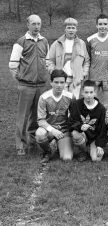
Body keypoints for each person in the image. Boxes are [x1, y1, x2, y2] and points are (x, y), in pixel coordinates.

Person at [9, 14, 49, 156]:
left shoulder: (44, 41)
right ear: (28, 25)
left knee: (37, 116)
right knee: (23, 117)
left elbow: (47, 61)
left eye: (39, 23)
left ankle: (33, 143)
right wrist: (21, 79)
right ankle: (21, 145)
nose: (36, 26)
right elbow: (13, 65)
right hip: (26, 86)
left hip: (41, 86)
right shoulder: (21, 42)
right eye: (34, 24)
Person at [36, 70, 76, 164]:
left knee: (67, 158)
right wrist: (52, 130)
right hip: (49, 130)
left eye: (62, 82)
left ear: (65, 83)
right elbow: (41, 120)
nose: (59, 85)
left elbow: (74, 117)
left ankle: (62, 145)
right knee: (40, 134)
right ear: (51, 83)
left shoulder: (71, 97)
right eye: (56, 82)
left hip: (63, 130)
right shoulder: (44, 98)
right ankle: (47, 151)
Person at [48, 18, 90, 99]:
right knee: (61, 103)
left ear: (76, 29)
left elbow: (87, 61)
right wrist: (53, 73)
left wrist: (84, 74)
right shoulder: (56, 44)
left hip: (76, 80)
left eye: (73, 28)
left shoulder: (81, 44)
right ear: (65, 29)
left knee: (74, 103)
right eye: (69, 28)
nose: (71, 30)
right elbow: (51, 61)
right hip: (61, 80)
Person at [69, 80, 108, 162]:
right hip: (82, 135)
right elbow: (71, 122)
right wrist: (80, 126)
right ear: (82, 92)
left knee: (96, 159)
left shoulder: (101, 108)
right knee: (75, 133)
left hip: (94, 137)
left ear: (95, 92)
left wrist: (100, 145)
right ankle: (82, 151)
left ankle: (92, 147)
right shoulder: (76, 104)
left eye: (91, 92)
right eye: (86, 92)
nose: (89, 95)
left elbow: (102, 129)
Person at [87, 13, 108, 108]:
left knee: (106, 104)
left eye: (105, 24)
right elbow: (88, 58)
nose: (102, 26)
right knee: (92, 103)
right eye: (100, 24)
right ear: (96, 25)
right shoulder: (90, 40)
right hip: (94, 76)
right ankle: (92, 122)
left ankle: (104, 122)